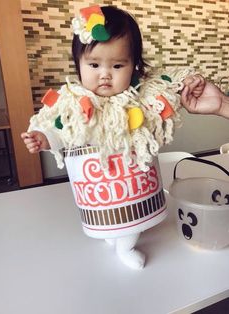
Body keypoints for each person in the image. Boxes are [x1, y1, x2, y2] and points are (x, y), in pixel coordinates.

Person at [21, 5, 207, 270]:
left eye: (118, 65)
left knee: (131, 223)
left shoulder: (142, 97)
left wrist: (189, 82)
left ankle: (125, 246)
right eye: (94, 64)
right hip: (100, 188)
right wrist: (45, 137)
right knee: (111, 220)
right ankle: (115, 237)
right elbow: (63, 129)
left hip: (132, 185)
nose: (105, 74)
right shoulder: (73, 102)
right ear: (79, 65)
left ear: (134, 66)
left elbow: (171, 84)